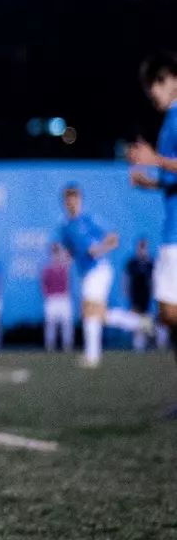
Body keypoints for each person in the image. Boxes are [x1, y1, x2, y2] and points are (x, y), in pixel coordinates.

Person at [126, 51, 177, 411]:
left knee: (169, 313)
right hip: (172, 229)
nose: (154, 94)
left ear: (172, 78)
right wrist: (152, 183)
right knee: (167, 315)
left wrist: (154, 161)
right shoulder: (169, 121)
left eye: (157, 85)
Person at [57, 184, 117, 368]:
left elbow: (113, 238)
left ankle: (92, 356)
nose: (72, 204)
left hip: (99, 269)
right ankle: (139, 323)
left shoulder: (88, 220)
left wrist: (99, 250)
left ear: (80, 201)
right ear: (64, 203)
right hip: (86, 273)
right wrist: (66, 258)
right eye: (68, 201)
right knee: (97, 313)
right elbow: (69, 251)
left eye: (75, 200)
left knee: (90, 310)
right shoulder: (65, 227)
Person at [117, 239, 155, 351]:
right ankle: (137, 344)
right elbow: (125, 277)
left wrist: (154, 292)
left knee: (146, 319)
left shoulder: (150, 262)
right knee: (135, 319)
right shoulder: (132, 262)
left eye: (144, 247)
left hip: (146, 295)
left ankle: (148, 342)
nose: (142, 249)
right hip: (135, 295)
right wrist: (125, 291)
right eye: (141, 246)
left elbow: (153, 279)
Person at [41, 243, 72, 352]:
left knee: (66, 323)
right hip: (52, 298)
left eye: (57, 253)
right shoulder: (47, 269)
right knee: (50, 323)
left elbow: (69, 257)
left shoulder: (65, 267)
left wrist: (62, 250)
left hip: (64, 297)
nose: (56, 256)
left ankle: (67, 345)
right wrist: (47, 296)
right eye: (54, 254)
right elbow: (44, 284)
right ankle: (50, 345)